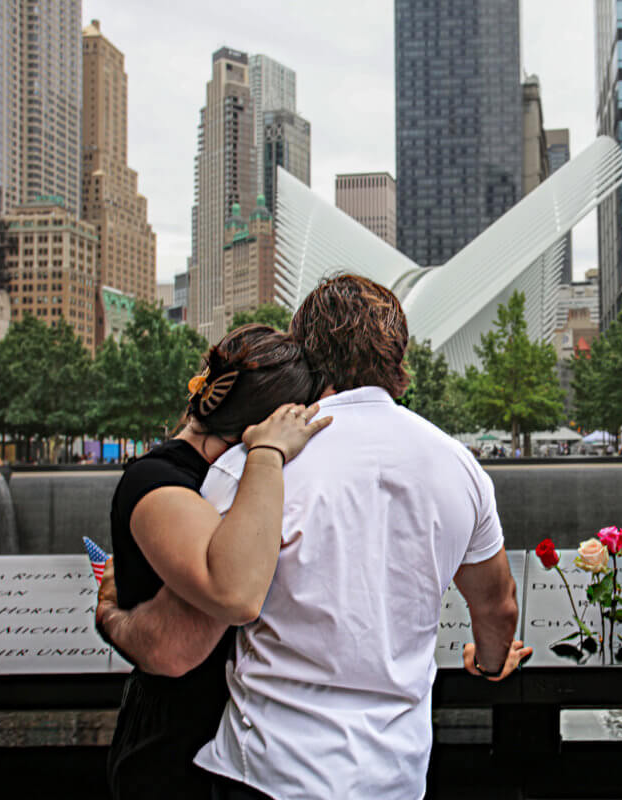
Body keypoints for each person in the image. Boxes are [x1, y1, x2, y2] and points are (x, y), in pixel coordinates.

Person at [99, 276, 529, 799]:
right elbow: (498, 606)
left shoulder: (252, 467)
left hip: (269, 773)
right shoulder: (460, 467)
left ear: (306, 355)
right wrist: (488, 660)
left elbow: (181, 641)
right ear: (400, 359)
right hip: (396, 775)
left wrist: (114, 617)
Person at [96, 324, 332, 800]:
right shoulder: (157, 481)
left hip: (248, 744)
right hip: (175, 754)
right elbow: (217, 612)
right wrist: (267, 455)